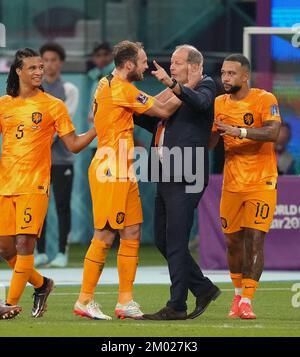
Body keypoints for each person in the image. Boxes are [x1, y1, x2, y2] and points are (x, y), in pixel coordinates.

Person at [74, 40, 182, 321]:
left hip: (123, 168)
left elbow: (156, 103)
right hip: (110, 169)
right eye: (143, 61)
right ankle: (85, 299)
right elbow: (163, 110)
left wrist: (177, 88)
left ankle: (125, 301)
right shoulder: (121, 89)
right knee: (106, 234)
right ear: (129, 64)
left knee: (132, 231)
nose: (146, 66)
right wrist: (186, 87)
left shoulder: (111, 83)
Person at [0, 48, 96, 318]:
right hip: (6, 185)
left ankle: (8, 303)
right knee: (5, 248)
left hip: (35, 185)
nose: (39, 72)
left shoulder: (53, 105)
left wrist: (99, 126)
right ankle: (42, 285)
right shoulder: (4, 104)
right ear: (18, 70)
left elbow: (74, 144)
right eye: (32, 68)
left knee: (23, 245)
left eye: (41, 67)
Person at [134, 44, 221, 320]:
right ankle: (203, 288)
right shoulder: (175, 95)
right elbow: (157, 123)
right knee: (162, 239)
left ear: (195, 66)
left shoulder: (207, 85)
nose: (171, 67)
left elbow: (202, 104)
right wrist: (133, 110)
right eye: (171, 62)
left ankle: (177, 305)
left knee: (175, 240)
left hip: (187, 172)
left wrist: (172, 85)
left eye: (177, 63)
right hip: (165, 171)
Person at [210, 54, 281, 319]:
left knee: (255, 240)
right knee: (232, 242)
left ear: (245, 76)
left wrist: (237, 131)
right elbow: (211, 143)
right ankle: (237, 295)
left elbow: (272, 133)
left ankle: (247, 300)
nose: (225, 78)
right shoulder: (218, 103)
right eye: (224, 73)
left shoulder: (265, 99)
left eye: (231, 74)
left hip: (261, 181)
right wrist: (211, 132)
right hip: (232, 183)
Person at [34, 42, 79, 268]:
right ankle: (40, 251)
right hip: (39, 160)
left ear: (60, 63)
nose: (49, 65)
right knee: (38, 204)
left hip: (61, 159)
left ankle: (62, 251)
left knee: (62, 205)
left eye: (53, 60)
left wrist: (41, 133)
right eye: (45, 60)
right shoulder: (34, 90)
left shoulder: (69, 89)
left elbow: (60, 125)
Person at [87, 43, 115, 157]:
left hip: (113, 138)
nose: (102, 58)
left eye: (105, 55)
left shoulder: (120, 76)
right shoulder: (96, 77)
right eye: (98, 55)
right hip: (96, 138)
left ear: (112, 56)